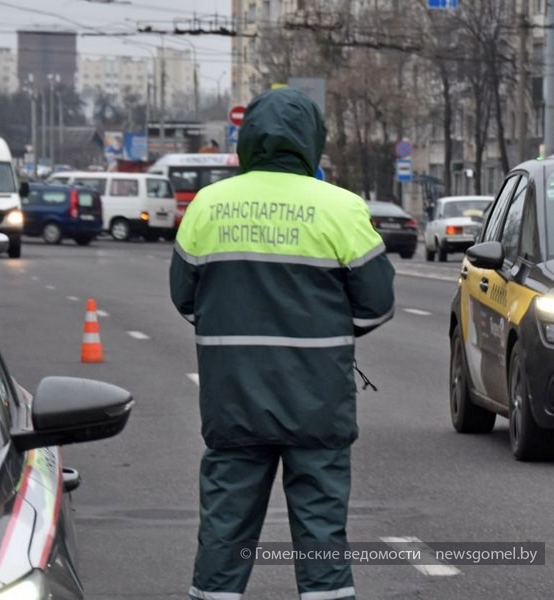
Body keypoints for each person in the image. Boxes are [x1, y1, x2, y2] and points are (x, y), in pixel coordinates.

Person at [169, 87, 395, 600]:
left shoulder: (209, 204)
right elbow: (378, 303)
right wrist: (329, 335)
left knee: (225, 530)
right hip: (317, 400)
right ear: (312, 141)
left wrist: (233, 331)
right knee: (321, 535)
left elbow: (185, 299)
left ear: (247, 138)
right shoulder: (340, 207)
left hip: (234, 398)